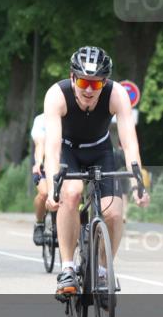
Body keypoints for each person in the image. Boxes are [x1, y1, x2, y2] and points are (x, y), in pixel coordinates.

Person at [44, 46, 150, 297]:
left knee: (113, 212)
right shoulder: (57, 95)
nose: (89, 89)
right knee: (71, 193)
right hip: (68, 150)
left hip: (100, 151)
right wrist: (51, 188)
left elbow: (129, 142)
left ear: (104, 82)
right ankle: (68, 268)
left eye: (96, 83)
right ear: (72, 78)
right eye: (83, 81)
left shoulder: (117, 94)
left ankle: (103, 270)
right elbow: (53, 146)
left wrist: (137, 182)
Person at [30, 112, 49, 246]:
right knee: (44, 193)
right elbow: (39, 143)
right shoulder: (41, 119)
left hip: (65, 161)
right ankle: (39, 223)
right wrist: (39, 161)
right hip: (43, 161)